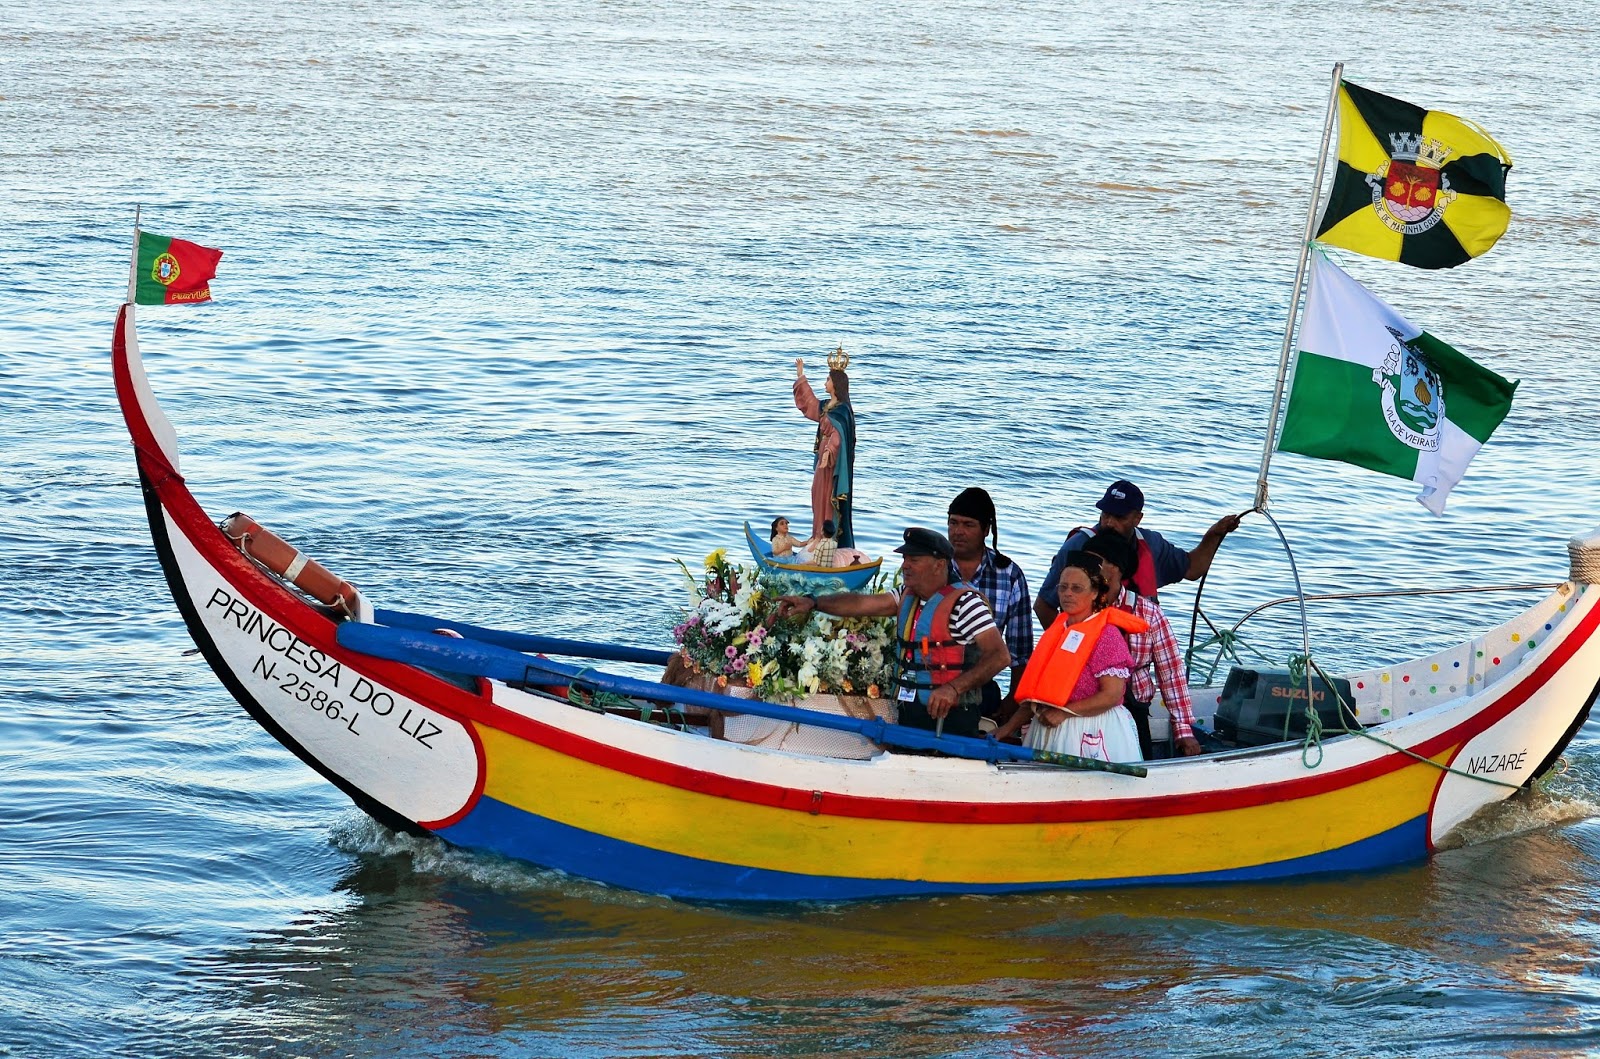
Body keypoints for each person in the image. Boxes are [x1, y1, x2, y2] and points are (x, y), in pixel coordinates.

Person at [773, 527, 1010, 739]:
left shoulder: (966, 603)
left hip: (951, 720)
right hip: (910, 713)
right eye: (905, 558)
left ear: (939, 564)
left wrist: (954, 688)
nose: (905, 565)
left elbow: (1000, 657)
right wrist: (813, 602)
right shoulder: (906, 594)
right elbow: (859, 604)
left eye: (914, 560)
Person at [995, 551, 1144, 763]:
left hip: (1091, 730)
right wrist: (1006, 729)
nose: (1068, 594)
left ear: (1095, 593)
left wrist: (1065, 712)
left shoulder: (1106, 635)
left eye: (1076, 588)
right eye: (1063, 587)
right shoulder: (1057, 631)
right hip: (1048, 726)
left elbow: (1112, 694)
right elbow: (1037, 696)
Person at [1035, 478, 1243, 627]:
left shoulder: (1151, 544)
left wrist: (1214, 534)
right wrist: (1068, 645)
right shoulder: (1077, 547)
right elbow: (1044, 607)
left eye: (1119, 517)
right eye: (1106, 514)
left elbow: (1192, 568)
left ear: (1137, 519)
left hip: (1136, 656)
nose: (1109, 522)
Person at [1079, 530, 1203, 758]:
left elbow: (1171, 672)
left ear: (1115, 568)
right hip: (1082, 711)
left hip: (1133, 713)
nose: (1085, 567)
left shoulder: (1149, 614)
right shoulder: (1077, 609)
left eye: (1094, 561)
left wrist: (1183, 729)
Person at [945, 487, 1033, 723]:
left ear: (986, 530)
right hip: (929, 679)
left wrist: (1012, 700)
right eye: (953, 523)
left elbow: (1020, 651)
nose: (958, 531)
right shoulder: (933, 567)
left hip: (980, 685)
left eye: (968, 525)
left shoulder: (1009, 575)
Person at [793, 353, 856, 548]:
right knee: (817, 493)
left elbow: (839, 434)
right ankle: (817, 534)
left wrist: (830, 450)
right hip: (823, 456)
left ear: (836, 384)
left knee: (828, 495)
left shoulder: (843, 410)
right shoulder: (827, 406)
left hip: (832, 461)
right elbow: (810, 404)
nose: (825, 383)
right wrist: (801, 376)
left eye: (828, 379)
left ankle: (826, 537)